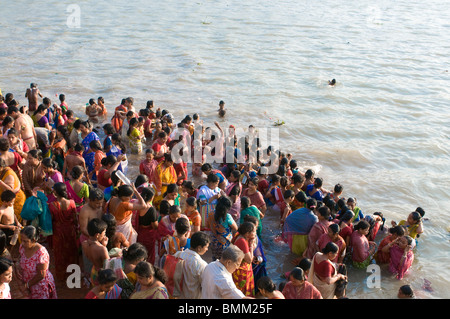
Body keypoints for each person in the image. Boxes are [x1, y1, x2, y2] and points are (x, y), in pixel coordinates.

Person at [15, 226, 57, 299]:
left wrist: (27, 285)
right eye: (22, 240)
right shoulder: (22, 247)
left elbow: (41, 275)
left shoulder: (41, 253)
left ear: (33, 240)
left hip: (40, 286)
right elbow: (21, 258)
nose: (22, 243)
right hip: (28, 285)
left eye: (25, 241)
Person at [48, 183, 79, 282]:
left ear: (55, 192)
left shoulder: (52, 206)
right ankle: (73, 276)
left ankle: (62, 277)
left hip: (58, 232)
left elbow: (51, 220)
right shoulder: (72, 203)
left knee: (60, 254)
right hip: (70, 231)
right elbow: (75, 220)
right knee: (71, 252)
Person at [173, 231, 210, 299]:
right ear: (199, 248)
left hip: (177, 296)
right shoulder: (201, 265)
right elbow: (206, 286)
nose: (207, 249)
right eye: (206, 247)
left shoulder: (178, 254)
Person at [207, 196, 238, 261]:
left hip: (213, 240)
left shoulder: (211, 213)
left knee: (215, 259)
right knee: (224, 261)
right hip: (224, 243)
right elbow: (236, 228)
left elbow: (208, 225)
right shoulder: (227, 217)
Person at [81, 218, 109, 286]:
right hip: (103, 276)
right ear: (97, 235)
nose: (104, 235)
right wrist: (104, 246)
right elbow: (108, 265)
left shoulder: (84, 244)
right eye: (104, 233)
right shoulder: (102, 249)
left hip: (93, 272)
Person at [231, 221, 257, 297]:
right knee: (242, 293)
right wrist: (251, 245)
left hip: (238, 267)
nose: (255, 233)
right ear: (247, 233)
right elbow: (249, 260)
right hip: (241, 271)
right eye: (254, 231)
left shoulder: (238, 234)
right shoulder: (242, 241)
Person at [0, 159, 26, 224]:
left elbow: (10, 191)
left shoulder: (9, 174)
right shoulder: (3, 171)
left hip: (14, 201)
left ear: (1, 167)